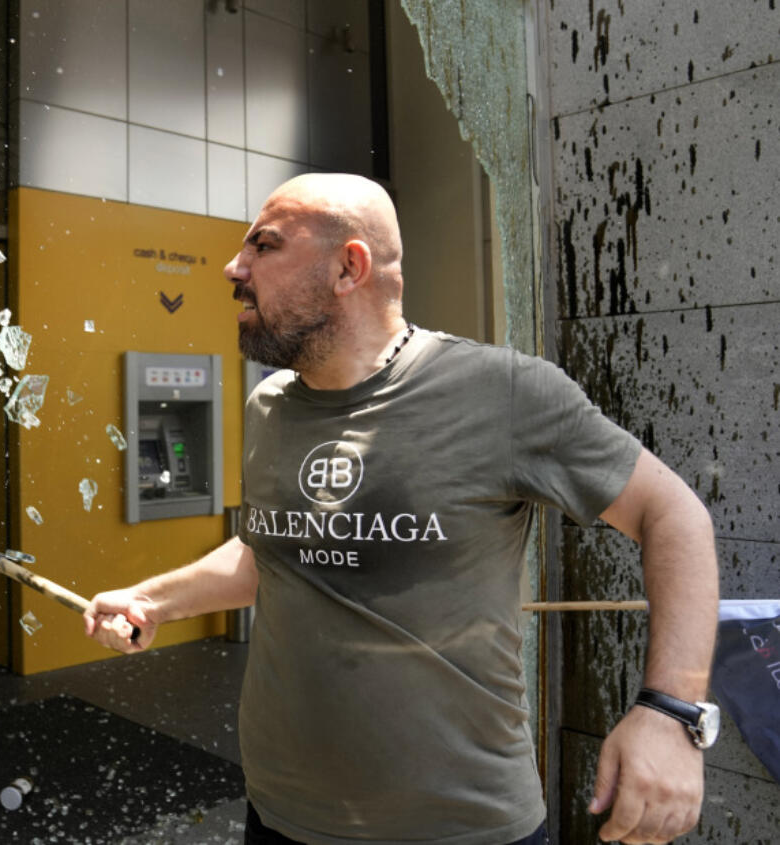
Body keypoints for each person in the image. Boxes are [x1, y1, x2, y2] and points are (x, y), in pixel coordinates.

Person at [84, 173, 719, 845]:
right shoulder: (269, 406)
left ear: (349, 267)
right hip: (279, 818)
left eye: (264, 246)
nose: (233, 267)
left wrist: (670, 710)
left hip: (461, 829)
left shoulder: (502, 392)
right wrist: (152, 598)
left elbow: (674, 514)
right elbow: (272, 549)